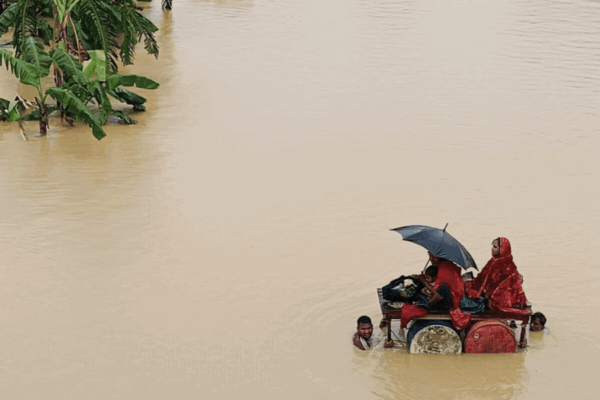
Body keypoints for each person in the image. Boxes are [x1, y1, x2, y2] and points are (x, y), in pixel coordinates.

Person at [399, 252, 472, 331]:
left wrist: (424, 282)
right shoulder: (444, 265)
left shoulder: (444, 269)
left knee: (420, 297)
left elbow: (437, 294)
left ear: (440, 257)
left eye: (433, 257)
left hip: (449, 301)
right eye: (430, 256)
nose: (431, 259)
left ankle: (422, 305)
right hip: (449, 296)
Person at [465, 237, 529, 315]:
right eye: (492, 247)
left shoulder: (496, 264)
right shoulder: (507, 263)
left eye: (495, 247)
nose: (492, 249)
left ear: (502, 249)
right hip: (508, 300)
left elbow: (484, 281)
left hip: (498, 301)